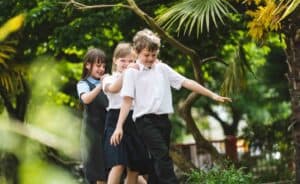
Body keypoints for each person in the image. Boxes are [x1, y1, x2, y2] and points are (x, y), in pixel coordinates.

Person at [110, 29, 232, 184]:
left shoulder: (162, 68)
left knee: (157, 161)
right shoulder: (131, 73)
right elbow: (127, 100)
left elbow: (186, 82)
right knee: (162, 156)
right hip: (144, 121)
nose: (150, 59)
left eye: (153, 55)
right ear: (136, 52)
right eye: (146, 55)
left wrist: (212, 95)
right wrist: (119, 126)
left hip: (163, 121)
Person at [102, 42, 149, 184]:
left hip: (134, 121)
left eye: (131, 61)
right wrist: (128, 73)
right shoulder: (108, 78)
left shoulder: (138, 78)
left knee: (134, 168)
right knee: (118, 163)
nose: (127, 63)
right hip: (114, 120)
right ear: (115, 60)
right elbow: (114, 88)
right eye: (123, 60)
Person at [76, 48, 108, 184]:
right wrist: (100, 87)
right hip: (92, 135)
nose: (101, 69)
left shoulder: (107, 83)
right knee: (98, 173)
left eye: (104, 66)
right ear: (88, 65)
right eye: (98, 65)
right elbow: (86, 99)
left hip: (107, 131)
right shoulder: (83, 84)